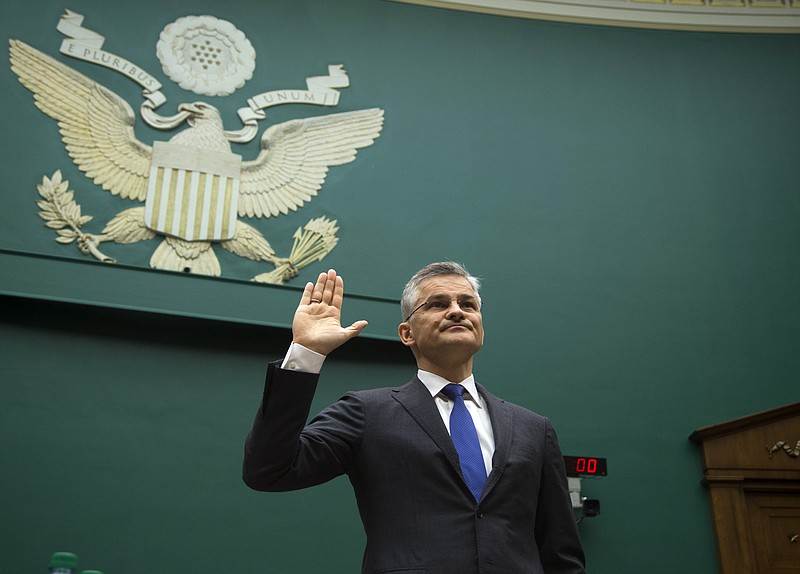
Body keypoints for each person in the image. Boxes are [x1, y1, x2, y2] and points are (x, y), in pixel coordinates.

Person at [243, 262, 585, 574]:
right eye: (438, 304)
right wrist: (307, 352)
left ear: (480, 327)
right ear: (407, 333)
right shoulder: (367, 413)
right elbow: (269, 470)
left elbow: (561, 553)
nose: (456, 311)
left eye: (468, 304)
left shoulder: (534, 429)